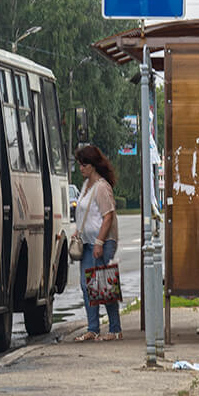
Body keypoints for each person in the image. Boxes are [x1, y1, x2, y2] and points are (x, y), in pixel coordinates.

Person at [71, 144, 122, 342]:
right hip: (86, 242)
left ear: (92, 165)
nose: (81, 168)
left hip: (101, 242)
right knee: (87, 286)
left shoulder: (101, 187)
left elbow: (108, 216)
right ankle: (93, 328)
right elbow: (84, 214)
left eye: (83, 165)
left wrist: (100, 242)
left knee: (102, 285)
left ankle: (114, 328)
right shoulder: (85, 186)